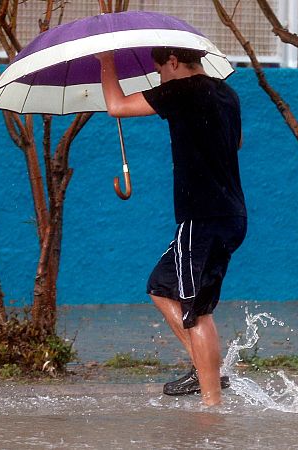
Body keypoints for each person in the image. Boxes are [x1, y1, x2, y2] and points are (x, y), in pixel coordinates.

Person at [96, 47, 247, 406]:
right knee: (162, 285)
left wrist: (106, 62)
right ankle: (204, 367)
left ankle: (211, 406)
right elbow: (237, 142)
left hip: (202, 218)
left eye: (159, 70)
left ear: (174, 62)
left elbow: (116, 106)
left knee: (197, 310)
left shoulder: (182, 89)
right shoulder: (226, 93)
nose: (159, 78)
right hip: (230, 215)